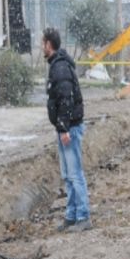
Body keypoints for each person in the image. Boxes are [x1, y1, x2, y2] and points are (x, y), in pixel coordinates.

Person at [42, 27, 92, 233]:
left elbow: (65, 99)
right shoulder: (58, 65)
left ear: (48, 44)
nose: (41, 47)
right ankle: (72, 216)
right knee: (68, 175)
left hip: (69, 129)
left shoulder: (59, 68)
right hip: (66, 127)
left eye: (42, 43)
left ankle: (83, 216)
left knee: (75, 174)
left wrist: (63, 128)